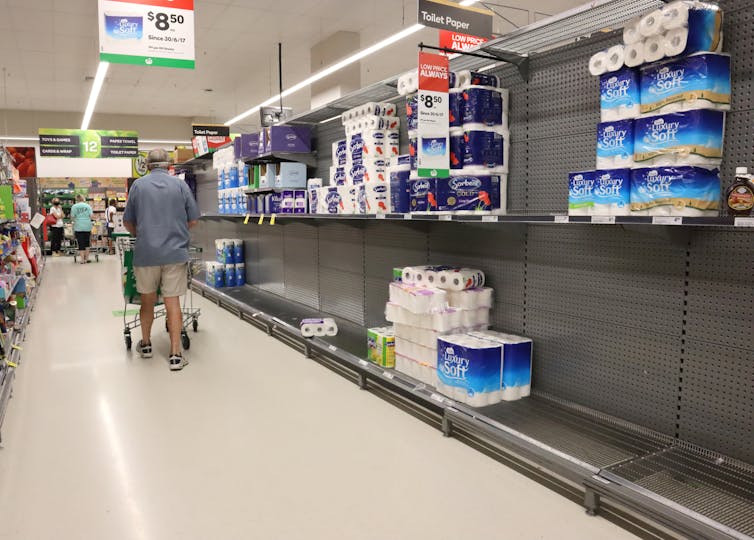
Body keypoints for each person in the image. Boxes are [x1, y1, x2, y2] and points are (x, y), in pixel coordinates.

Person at [123, 148, 199, 371]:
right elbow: (193, 219)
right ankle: (175, 355)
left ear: (147, 165)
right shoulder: (180, 185)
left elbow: (128, 221)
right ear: (168, 165)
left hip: (146, 254)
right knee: (172, 303)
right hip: (175, 253)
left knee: (147, 301)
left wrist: (144, 235)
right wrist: (176, 231)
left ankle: (146, 345)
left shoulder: (138, 185)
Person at [70, 194, 94, 264]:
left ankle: (82, 260)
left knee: (80, 243)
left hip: (78, 226)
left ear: (77, 199)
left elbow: (72, 217)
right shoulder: (88, 206)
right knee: (87, 242)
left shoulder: (74, 206)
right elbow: (91, 216)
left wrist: (76, 220)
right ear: (83, 199)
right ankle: (87, 258)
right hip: (87, 225)